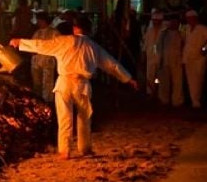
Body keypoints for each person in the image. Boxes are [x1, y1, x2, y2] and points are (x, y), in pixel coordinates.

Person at [10, 15, 139, 160]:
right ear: (89, 30)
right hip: (82, 85)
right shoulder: (93, 46)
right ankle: (85, 148)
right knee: (84, 117)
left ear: (74, 28)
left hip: (64, 83)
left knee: (65, 118)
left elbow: (42, 45)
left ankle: (65, 151)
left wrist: (20, 42)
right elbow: (111, 65)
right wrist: (128, 79)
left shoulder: (64, 41)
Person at [30, 11, 60, 103]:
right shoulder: (37, 32)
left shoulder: (55, 33)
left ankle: (47, 102)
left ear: (44, 21)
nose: (38, 22)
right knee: (37, 84)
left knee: (47, 84)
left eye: (39, 20)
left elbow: (58, 46)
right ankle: (38, 101)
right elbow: (31, 45)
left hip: (48, 62)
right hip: (36, 62)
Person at [157, 14, 183, 107]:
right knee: (164, 82)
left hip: (177, 61)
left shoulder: (181, 34)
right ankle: (164, 100)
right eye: (172, 22)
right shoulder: (163, 34)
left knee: (178, 82)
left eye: (176, 22)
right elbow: (158, 47)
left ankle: (177, 101)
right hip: (164, 61)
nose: (174, 24)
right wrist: (159, 60)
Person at [182, 9, 207, 108]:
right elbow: (184, 40)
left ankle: (197, 101)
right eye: (187, 19)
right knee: (190, 80)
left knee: (198, 79)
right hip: (188, 57)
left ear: (195, 18)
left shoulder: (203, 28)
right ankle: (194, 101)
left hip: (199, 58)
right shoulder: (186, 28)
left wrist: (204, 49)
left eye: (190, 19)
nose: (189, 21)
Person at [142, 11, 165, 97]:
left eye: (157, 20)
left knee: (161, 76)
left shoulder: (164, 30)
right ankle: (149, 92)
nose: (155, 22)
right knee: (150, 75)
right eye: (154, 20)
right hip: (150, 56)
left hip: (160, 57)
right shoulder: (150, 30)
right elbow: (146, 43)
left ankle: (161, 94)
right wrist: (143, 54)